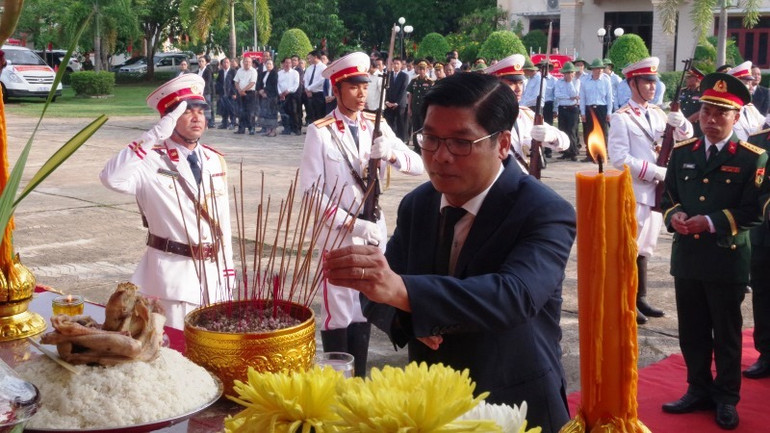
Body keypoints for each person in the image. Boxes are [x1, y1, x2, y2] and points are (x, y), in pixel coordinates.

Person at [323, 72, 576, 433]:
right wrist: (407, 311)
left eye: (461, 142)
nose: (440, 157)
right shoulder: (418, 204)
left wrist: (406, 293)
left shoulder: (543, 210)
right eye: (430, 139)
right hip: (431, 404)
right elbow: (382, 292)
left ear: (503, 144)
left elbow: (514, 295)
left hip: (513, 404)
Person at [299, 52, 424, 378]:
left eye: (364, 86)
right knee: (339, 308)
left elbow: (419, 166)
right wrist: (352, 224)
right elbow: (311, 193)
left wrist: (392, 153)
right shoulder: (320, 131)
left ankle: (360, 378)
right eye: (352, 86)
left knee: (364, 303)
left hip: (374, 228)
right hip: (339, 232)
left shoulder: (376, 125)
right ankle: (340, 383)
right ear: (337, 89)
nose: (360, 93)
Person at [660, 72, 768, 430]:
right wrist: (675, 217)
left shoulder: (754, 158)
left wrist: (709, 222)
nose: (710, 120)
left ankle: (726, 397)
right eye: (706, 111)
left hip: (726, 258)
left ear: (736, 117)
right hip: (687, 259)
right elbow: (669, 199)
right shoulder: (682, 153)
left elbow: (754, 212)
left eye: (721, 113)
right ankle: (697, 389)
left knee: (725, 333)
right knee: (691, 330)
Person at [100, 74, 235, 329]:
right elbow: (110, 179)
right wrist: (152, 136)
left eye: (200, 111)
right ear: (168, 119)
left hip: (214, 277)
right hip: (172, 280)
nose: (197, 117)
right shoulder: (149, 160)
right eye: (187, 112)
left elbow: (222, 221)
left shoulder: (214, 160)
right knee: (176, 352)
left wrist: (228, 270)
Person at [607, 57, 693, 325]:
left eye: (654, 82)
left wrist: (680, 123)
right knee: (629, 248)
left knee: (645, 247)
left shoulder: (658, 113)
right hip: (636, 189)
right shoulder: (621, 118)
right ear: (632, 83)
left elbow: (686, 136)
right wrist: (656, 172)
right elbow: (619, 158)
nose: (651, 87)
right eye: (646, 82)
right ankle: (626, 299)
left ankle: (640, 297)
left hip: (659, 191)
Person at [483, 54, 568, 172]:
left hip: (525, 181)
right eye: (511, 83)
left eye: (520, 83)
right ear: (496, 86)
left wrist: (551, 135)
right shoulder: (484, 118)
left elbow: (564, 142)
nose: (518, 89)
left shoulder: (526, 115)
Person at [744, 127, 770, 380]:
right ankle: (766, 353)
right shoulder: (758, 140)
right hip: (766, 232)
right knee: (763, 292)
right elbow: (753, 186)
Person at [579, 59, 613, 162]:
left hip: (601, 108)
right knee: (589, 132)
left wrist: (609, 112)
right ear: (592, 70)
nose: (599, 71)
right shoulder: (585, 81)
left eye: (601, 69)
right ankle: (590, 154)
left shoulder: (606, 81)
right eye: (597, 69)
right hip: (589, 108)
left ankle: (602, 154)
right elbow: (582, 98)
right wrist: (583, 113)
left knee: (603, 132)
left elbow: (609, 98)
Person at [728, 61, 766, 140]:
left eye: (751, 83)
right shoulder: (727, 109)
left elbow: (764, 124)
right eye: (747, 82)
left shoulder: (749, 107)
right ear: (736, 85)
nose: (751, 87)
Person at [553, 62, 581, 161]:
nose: (568, 75)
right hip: (563, 108)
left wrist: (569, 83)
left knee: (572, 131)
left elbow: (575, 94)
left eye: (570, 73)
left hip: (572, 108)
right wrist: (569, 97)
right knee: (563, 130)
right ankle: (565, 152)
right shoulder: (559, 82)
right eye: (566, 73)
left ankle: (573, 152)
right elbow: (557, 95)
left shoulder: (576, 82)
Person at [406, 60, 434, 151]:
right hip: (415, 108)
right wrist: (409, 108)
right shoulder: (414, 80)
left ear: (426, 70)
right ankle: (416, 146)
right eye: (420, 69)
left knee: (423, 128)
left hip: (424, 109)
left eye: (423, 69)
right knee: (415, 127)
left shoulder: (430, 82)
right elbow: (410, 95)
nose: (421, 71)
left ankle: (423, 146)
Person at [385, 57, 409, 141]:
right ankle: (390, 140)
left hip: (400, 103)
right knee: (389, 122)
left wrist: (397, 103)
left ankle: (402, 140)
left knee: (400, 123)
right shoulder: (389, 75)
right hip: (389, 102)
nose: (395, 65)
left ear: (401, 65)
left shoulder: (404, 76)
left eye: (397, 64)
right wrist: (387, 101)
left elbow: (403, 90)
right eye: (394, 63)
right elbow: (386, 88)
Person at [233, 56, 258, 135]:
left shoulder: (253, 71)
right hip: (240, 93)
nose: (247, 63)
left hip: (250, 93)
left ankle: (251, 128)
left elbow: (252, 83)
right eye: (245, 61)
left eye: (249, 62)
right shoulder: (239, 70)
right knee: (241, 111)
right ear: (243, 62)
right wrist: (240, 90)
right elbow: (236, 81)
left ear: (251, 63)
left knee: (250, 111)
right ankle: (241, 128)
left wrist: (244, 90)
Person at [277, 56, 301, 135]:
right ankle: (286, 128)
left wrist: (288, 91)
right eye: (286, 62)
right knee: (283, 112)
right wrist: (280, 93)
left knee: (293, 112)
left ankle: (296, 129)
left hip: (292, 95)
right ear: (283, 63)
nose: (288, 64)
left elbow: (296, 84)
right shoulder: (279, 73)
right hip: (281, 95)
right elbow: (277, 84)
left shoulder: (295, 73)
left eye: (289, 62)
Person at [680, 66, 705, 137]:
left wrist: (687, 121)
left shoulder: (702, 93)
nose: (686, 80)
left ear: (697, 79)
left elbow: (702, 111)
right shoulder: (683, 91)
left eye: (689, 78)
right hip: (681, 126)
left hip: (696, 127)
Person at [304, 50, 327, 123]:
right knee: (311, 114)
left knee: (320, 114)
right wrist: (307, 89)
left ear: (315, 57)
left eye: (310, 58)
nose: (308, 60)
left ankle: (320, 132)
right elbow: (305, 79)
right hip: (309, 94)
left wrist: (309, 88)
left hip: (319, 94)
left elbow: (321, 80)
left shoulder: (323, 67)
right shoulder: (309, 68)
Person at [257, 59, 279, 137]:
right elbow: (259, 83)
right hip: (263, 95)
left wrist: (265, 91)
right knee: (266, 113)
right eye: (267, 64)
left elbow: (273, 85)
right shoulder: (263, 73)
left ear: (273, 65)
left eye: (270, 64)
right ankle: (268, 130)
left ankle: (273, 130)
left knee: (272, 113)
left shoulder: (274, 73)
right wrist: (260, 90)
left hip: (272, 96)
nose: (268, 65)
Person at [216, 57, 237, 129]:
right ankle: (224, 123)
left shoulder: (233, 71)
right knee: (223, 109)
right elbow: (218, 82)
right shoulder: (221, 72)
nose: (225, 64)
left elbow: (235, 83)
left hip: (230, 93)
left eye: (227, 62)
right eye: (224, 62)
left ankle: (233, 123)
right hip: (223, 93)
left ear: (230, 63)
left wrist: (234, 93)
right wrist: (218, 92)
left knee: (231, 109)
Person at [197, 55, 215, 128]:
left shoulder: (207, 71)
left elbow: (207, 82)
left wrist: (202, 90)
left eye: (202, 61)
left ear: (205, 63)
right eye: (200, 61)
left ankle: (209, 122)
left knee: (207, 107)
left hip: (206, 91)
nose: (201, 63)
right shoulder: (197, 71)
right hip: (198, 92)